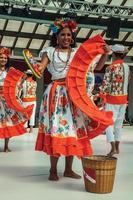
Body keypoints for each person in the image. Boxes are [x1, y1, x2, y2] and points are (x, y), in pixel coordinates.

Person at [35, 18, 110, 181]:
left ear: (72, 36)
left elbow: (97, 67)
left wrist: (104, 53)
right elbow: (41, 67)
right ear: (56, 36)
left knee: (72, 131)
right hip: (56, 95)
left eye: (69, 35)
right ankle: (53, 170)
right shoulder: (49, 51)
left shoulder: (77, 53)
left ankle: (68, 169)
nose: (66, 38)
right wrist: (37, 68)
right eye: (63, 34)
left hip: (74, 96)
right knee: (57, 130)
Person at [99, 44, 130, 157]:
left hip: (112, 100)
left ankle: (112, 148)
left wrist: (101, 96)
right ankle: (117, 147)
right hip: (123, 99)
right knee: (118, 124)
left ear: (114, 54)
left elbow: (106, 84)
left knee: (108, 124)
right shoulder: (127, 67)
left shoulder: (110, 67)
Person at [0, 47, 31, 152]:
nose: (3, 59)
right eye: (1, 57)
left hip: (6, 100)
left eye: (5, 58)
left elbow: (15, 85)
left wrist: (20, 81)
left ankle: (6, 146)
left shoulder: (10, 71)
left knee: (8, 122)